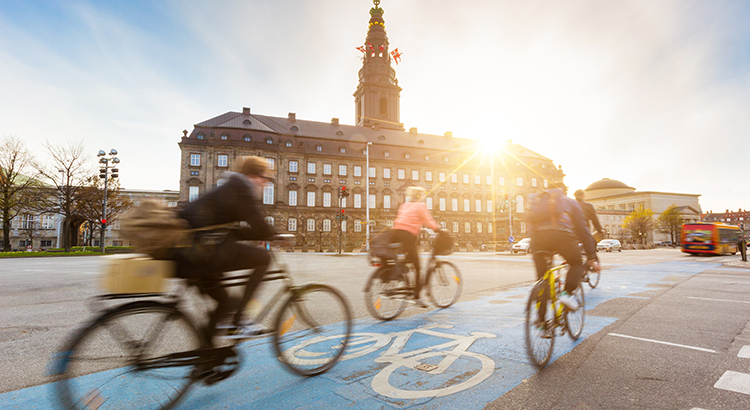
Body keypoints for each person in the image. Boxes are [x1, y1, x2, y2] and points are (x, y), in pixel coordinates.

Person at [176, 156, 277, 342]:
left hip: (190, 251)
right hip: (198, 252)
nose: (266, 182)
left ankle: (206, 359)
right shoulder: (241, 189)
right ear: (253, 175)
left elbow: (234, 232)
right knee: (263, 257)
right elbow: (259, 226)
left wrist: (264, 233)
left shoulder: (232, 187)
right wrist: (274, 234)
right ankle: (240, 320)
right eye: (264, 177)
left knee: (225, 304)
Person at [528, 185, 600, 317]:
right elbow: (583, 230)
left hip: (538, 239)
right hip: (562, 236)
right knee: (577, 262)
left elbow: (530, 222)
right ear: (563, 191)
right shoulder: (570, 202)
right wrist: (591, 256)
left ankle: (542, 323)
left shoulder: (538, 200)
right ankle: (566, 294)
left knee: (542, 278)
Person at [391, 186, 440, 305]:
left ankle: (399, 273)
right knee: (417, 267)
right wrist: (439, 229)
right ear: (419, 196)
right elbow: (428, 221)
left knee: (406, 260)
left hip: (395, 234)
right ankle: (417, 297)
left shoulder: (404, 205)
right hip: (407, 236)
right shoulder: (420, 206)